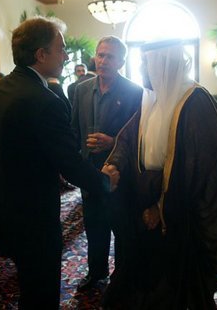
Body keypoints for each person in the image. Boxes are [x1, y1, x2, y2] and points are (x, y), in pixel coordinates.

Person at [0, 16, 117, 309]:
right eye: (61, 49)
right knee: (42, 291)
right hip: (34, 217)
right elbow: (69, 162)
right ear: (41, 54)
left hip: (4, 210)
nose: (67, 56)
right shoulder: (44, 100)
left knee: (28, 284)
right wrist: (104, 181)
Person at [101, 39, 217, 309]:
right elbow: (129, 136)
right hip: (147, 206)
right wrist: (114, 162)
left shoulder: (196, 104)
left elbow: (197, 172)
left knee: (176, 289)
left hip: (180, 218)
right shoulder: (154, 95)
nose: (141, 71)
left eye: (144, 64)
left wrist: (161, 207)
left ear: (162, 64)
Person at [71, 36, 143, 291]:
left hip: (119, 175)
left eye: (110, 56)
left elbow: (139, 137)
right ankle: (96, 272)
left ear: (121, 61)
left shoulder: (135, 92)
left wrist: (112, 142)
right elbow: (74, 130)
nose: (103, 61)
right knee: (94, 227)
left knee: (121, 227)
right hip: (90, 174)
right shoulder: (80, 89)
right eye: (100, 55)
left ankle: (122, 277)